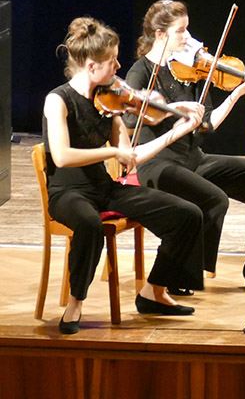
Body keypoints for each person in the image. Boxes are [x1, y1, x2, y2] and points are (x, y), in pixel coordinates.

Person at [43, 17, 206, 334]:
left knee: (188, 214)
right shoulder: (57, 100)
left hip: (104, 188)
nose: (118, 66)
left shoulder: (110, 101)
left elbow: (131, 158)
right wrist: (110, 153)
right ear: (91, 66)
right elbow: (62, 157)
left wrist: (176, 131)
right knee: (89, 223)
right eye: (112, 61)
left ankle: (154, 291)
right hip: (67, 192)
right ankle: (76, 302)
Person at [124, 0, 245, 292]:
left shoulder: (185, 70)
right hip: (157, 163)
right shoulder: (141, 72)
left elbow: (207, 123)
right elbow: (128, 120)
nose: (188, 38)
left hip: (193, 159)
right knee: (215, 200)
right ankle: (181, 274)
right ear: (159, 34)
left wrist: (237, 93)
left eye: (187, 30)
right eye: (181, 31)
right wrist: (175, 108)